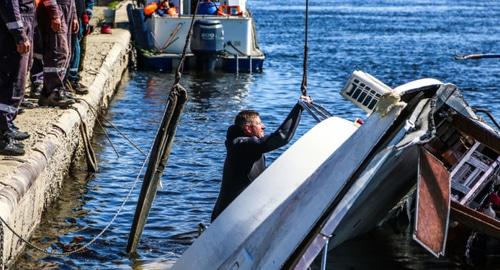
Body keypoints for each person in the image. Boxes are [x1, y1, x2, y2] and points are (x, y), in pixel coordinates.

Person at [211, 96, 312, 222]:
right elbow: (281, 137)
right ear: (248, 128)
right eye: (258, 124)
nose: (263, 126)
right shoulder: (242, 145)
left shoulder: (245, 145)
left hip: (237, 213)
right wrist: (299, 107)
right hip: (226, 217)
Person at [0, 0, 35, 155]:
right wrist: (19, 35)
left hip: (18, 26)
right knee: (10, 83)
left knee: (15, 82)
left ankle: (6, 128)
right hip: (9, 34)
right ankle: (2, 137)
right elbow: (9, 5)